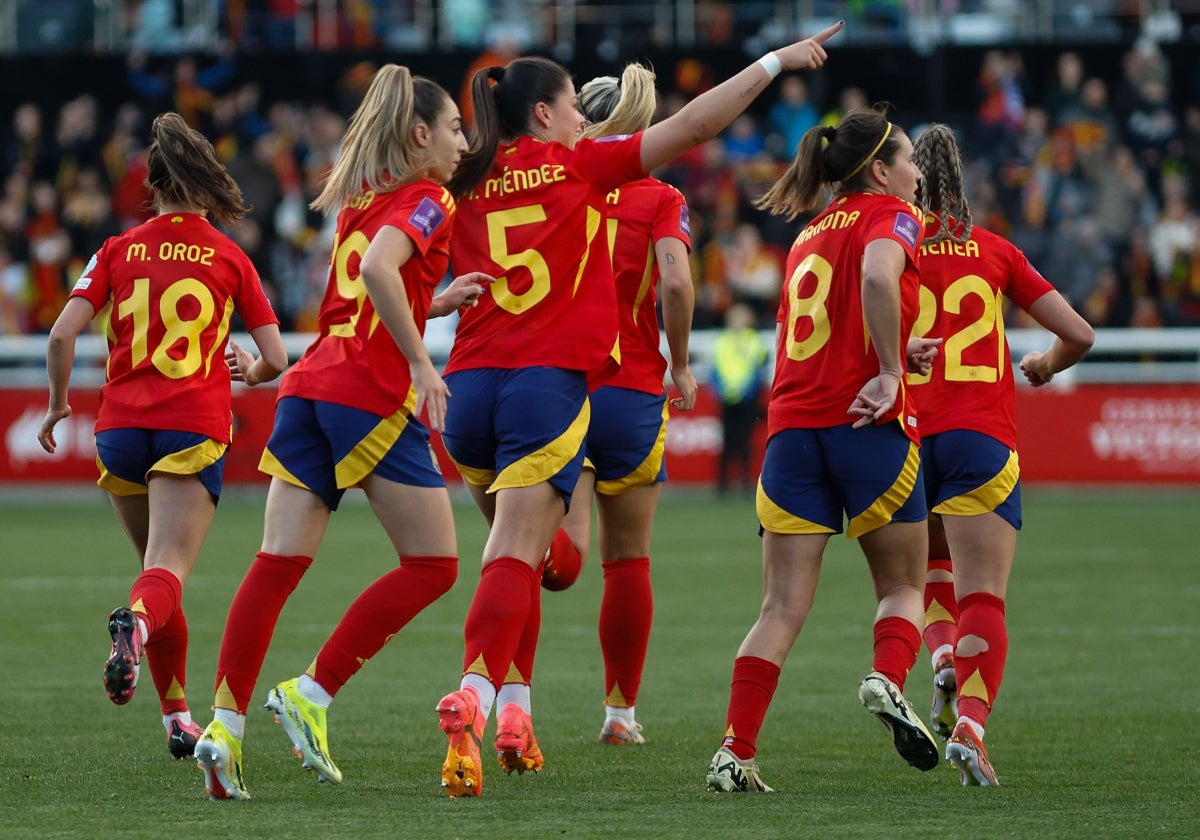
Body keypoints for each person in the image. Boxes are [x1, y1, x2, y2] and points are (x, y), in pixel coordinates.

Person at [433, 22, 845, 798]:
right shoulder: (584, 169)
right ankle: (485, 698)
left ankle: (515, 705)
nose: (585, 122)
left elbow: (390, 240)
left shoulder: (466, 174)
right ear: (548, 117)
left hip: (469, 388)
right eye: (573, 110)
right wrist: (771, 61)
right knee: (542, 559)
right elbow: (694, 127)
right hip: (556, 387)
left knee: (514, 556)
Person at [193, 65, 492, 801]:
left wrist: (431, 301)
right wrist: (423, 364)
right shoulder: (430, 198)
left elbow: (368, 288)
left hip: (309, 384)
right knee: (435, 565)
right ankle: (312, 693)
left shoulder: (362, 199)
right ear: (420, 133)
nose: (465, 141)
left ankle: (223, 726)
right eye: (455, 127)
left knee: (276, 563)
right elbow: (381, 271)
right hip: (366, 393)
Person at [705, 106, 942, 794]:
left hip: (791, 432)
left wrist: (894, 350)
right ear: (878, 170)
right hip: (865, 425)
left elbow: (830, 323)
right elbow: (874, 278)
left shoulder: (808, 234)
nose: (917, 174)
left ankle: (733, 751)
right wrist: (893, 373)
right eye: (907, 162)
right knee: (902, 585)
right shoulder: (891, 216)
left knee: (779, 608)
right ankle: (886, 679)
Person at [36, 112, 286, 760]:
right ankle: (135, 628)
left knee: (154, 570)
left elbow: (62, 334)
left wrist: (60, 405)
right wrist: (252, 372)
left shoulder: (117, 249)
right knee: (165, 576)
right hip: (189, 426)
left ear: (151, 185)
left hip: (119, 428)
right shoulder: (228, 254)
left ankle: (176, 716)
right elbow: (276, 358)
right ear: (205, 183)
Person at [910, 123, 1094, 786]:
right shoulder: (995, 252)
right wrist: (1044, 366)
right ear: (965, 182)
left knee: (929, 570)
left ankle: (941, 663)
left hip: (906, 439)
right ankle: (971, 727)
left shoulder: (891, 250)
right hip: (979, 435)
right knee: (984, 592)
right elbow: (1079, 334)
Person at [540, 62, 699, 746]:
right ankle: (619, 715)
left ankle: (542, 562)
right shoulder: (659, 197)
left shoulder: (560, 187)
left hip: (560, 385)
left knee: (557, 553)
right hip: (632, 389)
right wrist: (682, 362)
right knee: (629, 559)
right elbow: (677, 281)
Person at [710, 302, 769, 495]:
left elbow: (759, 369)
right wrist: (720, 390)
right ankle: (723, 483)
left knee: (745, 441)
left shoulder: (753, 341)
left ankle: (744, 481)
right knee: (727, 440)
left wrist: (748, 391)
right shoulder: (722, 341)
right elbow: (715, 370)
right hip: (727, 398)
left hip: (747, 399)